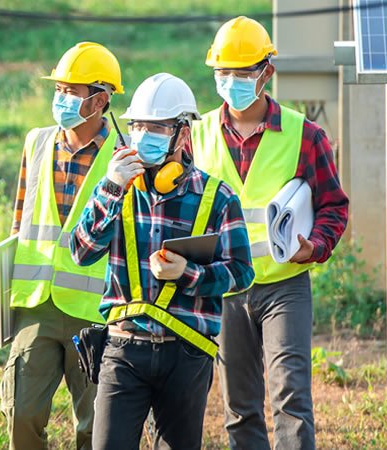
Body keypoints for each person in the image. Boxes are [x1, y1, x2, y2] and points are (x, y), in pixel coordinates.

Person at [69, 73, 255, 449]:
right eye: (137, 127)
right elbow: (82, 252)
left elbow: (240, 273)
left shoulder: (217, 198)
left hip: (186, 351)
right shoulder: (117, 189)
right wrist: (110, 189)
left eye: (156, 128)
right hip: (123, 348)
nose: (143, 136)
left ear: (182, 133)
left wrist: (189, 274)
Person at [194, 16, 351, 450]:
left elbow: (334, 206)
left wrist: (315, 246)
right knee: (239, 407)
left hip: (284, 286)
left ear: (267, 73)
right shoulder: (195, 135)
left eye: (243, 73)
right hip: (225, 288)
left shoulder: (306, 135)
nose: (232, 82)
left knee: (291, 398)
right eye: (223, 73)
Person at [1, 41, 124, 450]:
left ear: (100, 100)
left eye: (72, 91)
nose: (61, 98)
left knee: (95, 426)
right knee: (21, 412)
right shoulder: (36, 142)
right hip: (37, 305)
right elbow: (21, 219)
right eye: (59, 89)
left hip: (97, 310)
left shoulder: (124, 157)